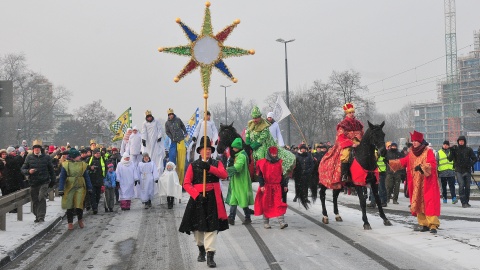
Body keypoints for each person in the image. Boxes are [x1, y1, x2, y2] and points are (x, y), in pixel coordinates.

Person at [179, 136, 228, 268]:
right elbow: (187, 183)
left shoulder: (217, 163)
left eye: (209, 149)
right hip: (198, 200)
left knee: (212, 228)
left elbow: (224, 175)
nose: (206, 151)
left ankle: (210, 255)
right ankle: (201, 248)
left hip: (213, 199)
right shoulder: (193, 165)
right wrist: (196, 195)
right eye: (204, 149)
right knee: (197, 229)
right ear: (199, 151)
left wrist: (209, 168)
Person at [388, 131, 440, 234]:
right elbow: (403, 162)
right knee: (418, 204)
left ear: (420, 141)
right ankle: (423, 224)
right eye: (413, 141)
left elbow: (432, 164)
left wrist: (422, 167)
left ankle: (433, 225)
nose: (414, 143)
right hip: (416, 183)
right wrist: (390, 162)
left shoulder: (427, 151)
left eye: (416, 141)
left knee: (429, 202)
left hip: (427, 181)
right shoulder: (411, 153)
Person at [319, 103, 364, 191]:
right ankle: (344, 175)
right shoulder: (343, 124)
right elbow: (341, 136)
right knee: (345, 155)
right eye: (350, 112)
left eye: (353, 112)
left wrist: (360, 141)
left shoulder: (358, 123)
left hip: (358, 143)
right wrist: (351, 143)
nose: (352, 114)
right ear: (346, 114)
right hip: (348, 144)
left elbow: (362, 133)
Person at [245, 106, 295, 176]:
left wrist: (252, 147)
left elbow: (261, 139)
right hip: (251, 144)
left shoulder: (265, 126)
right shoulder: (251, 123)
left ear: (260, 117)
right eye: (253, 118)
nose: (254, 120)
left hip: (262, 144)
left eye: (256, 118)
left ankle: (261, 171)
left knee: (260, 153)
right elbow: (248, 132)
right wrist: (247, 142)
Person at [21, 140, 56, 223]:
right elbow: (23, 169)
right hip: (33, 182)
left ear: (40, 149)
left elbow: (51, 170)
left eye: (38, 148)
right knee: (35, 200)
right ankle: (37, 215)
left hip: (44, 181)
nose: (36, 150)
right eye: (35, 148)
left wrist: (53, 180)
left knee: (41, 197)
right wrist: (29, 171)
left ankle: (41, 216)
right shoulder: (29, 157)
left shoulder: (46, 157)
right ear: (33, 149)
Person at [254, 146, 289, 229]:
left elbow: (283, 175)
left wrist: (285, 185)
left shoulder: (280, 162)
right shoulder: (263, 163)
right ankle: (266, 222)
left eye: (275, 154)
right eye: (272, 154)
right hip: (267, 186)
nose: (274, 155)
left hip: (277, 186)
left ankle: (281, 222)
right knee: (266, 204)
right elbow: (260, 175)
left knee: (278, 203)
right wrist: (262, 185)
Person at [58, 148, 93, 230]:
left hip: (80, 185)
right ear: (73, 157)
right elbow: (62, 177)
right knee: (69, 204)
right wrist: (61, 189)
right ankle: (70, 222)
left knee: (79, 204)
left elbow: (86, 176)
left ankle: (80, 220)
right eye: (78, 156)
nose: (79, 157)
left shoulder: (82, 164)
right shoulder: (66, 165)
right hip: (69, 186)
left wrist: (89, 187)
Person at [225, 138, 254, 226]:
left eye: (234, 147)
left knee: (242, 200)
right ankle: (231, 217)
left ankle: (247, 217)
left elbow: (238, 167)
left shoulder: (241, 156)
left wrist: (228, 170)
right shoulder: (238, 155)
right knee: (234, 200)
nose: (233, 149)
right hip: (236, 181)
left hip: (241, 181)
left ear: (237, 148)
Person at [448, 135, 478, 208]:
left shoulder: (469, 149)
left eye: (462, 141)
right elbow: (449, 159)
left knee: (467, 187)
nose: (461, 142)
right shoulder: (455, 149)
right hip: (458, 170)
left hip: (467, 171)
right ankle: (463, 202)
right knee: (461, 185)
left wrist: (470, 164)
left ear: (464, 142)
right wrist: (451, 151)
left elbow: (475, 159)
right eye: (460, 141)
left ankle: (466, 201)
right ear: (458, 142)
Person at [292, 144, 313, 208]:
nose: (303, 150)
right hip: (298, 173)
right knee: (298, 185)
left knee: (305, 186)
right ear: (300, 149)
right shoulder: (297, 155)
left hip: (306, 173)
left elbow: (311, 164)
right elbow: (294, 164)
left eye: (304, 149)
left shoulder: (308, 155)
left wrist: (309, 170)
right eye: (302, 149)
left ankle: (305, 197)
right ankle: (297, 196)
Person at [87, 148, 106, 214]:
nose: (98, 155)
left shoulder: (102, 159)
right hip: (92, 179)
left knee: (98, 195)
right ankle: (94, 208)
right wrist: (90, 168)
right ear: (94, 154)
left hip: (99, 180)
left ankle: (96, 205)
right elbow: (85, 167)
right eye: (97, 153)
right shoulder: (89, 160)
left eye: (99, 153)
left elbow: (105, 168)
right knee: (92, 195)